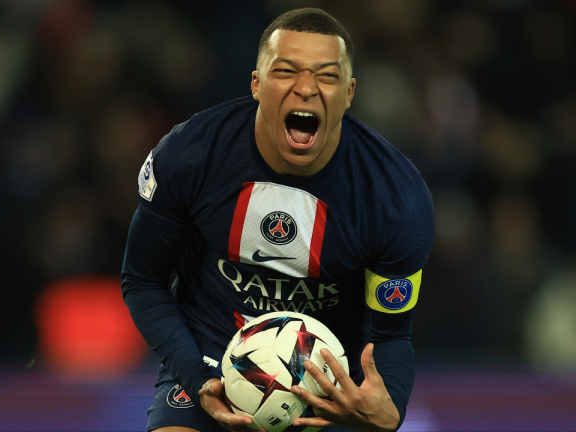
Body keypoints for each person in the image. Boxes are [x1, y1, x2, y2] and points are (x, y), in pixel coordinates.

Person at [122, 8, 434, 432]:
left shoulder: (395, 199)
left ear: (349, 93)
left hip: (332, 388)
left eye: (326, 76)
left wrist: (390, 405)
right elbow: (143, 281)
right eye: (286, 71)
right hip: (214, 364)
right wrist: (197, 379)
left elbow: (393, 335)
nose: (305, 88)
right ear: (256, 83)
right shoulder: (190, 157)